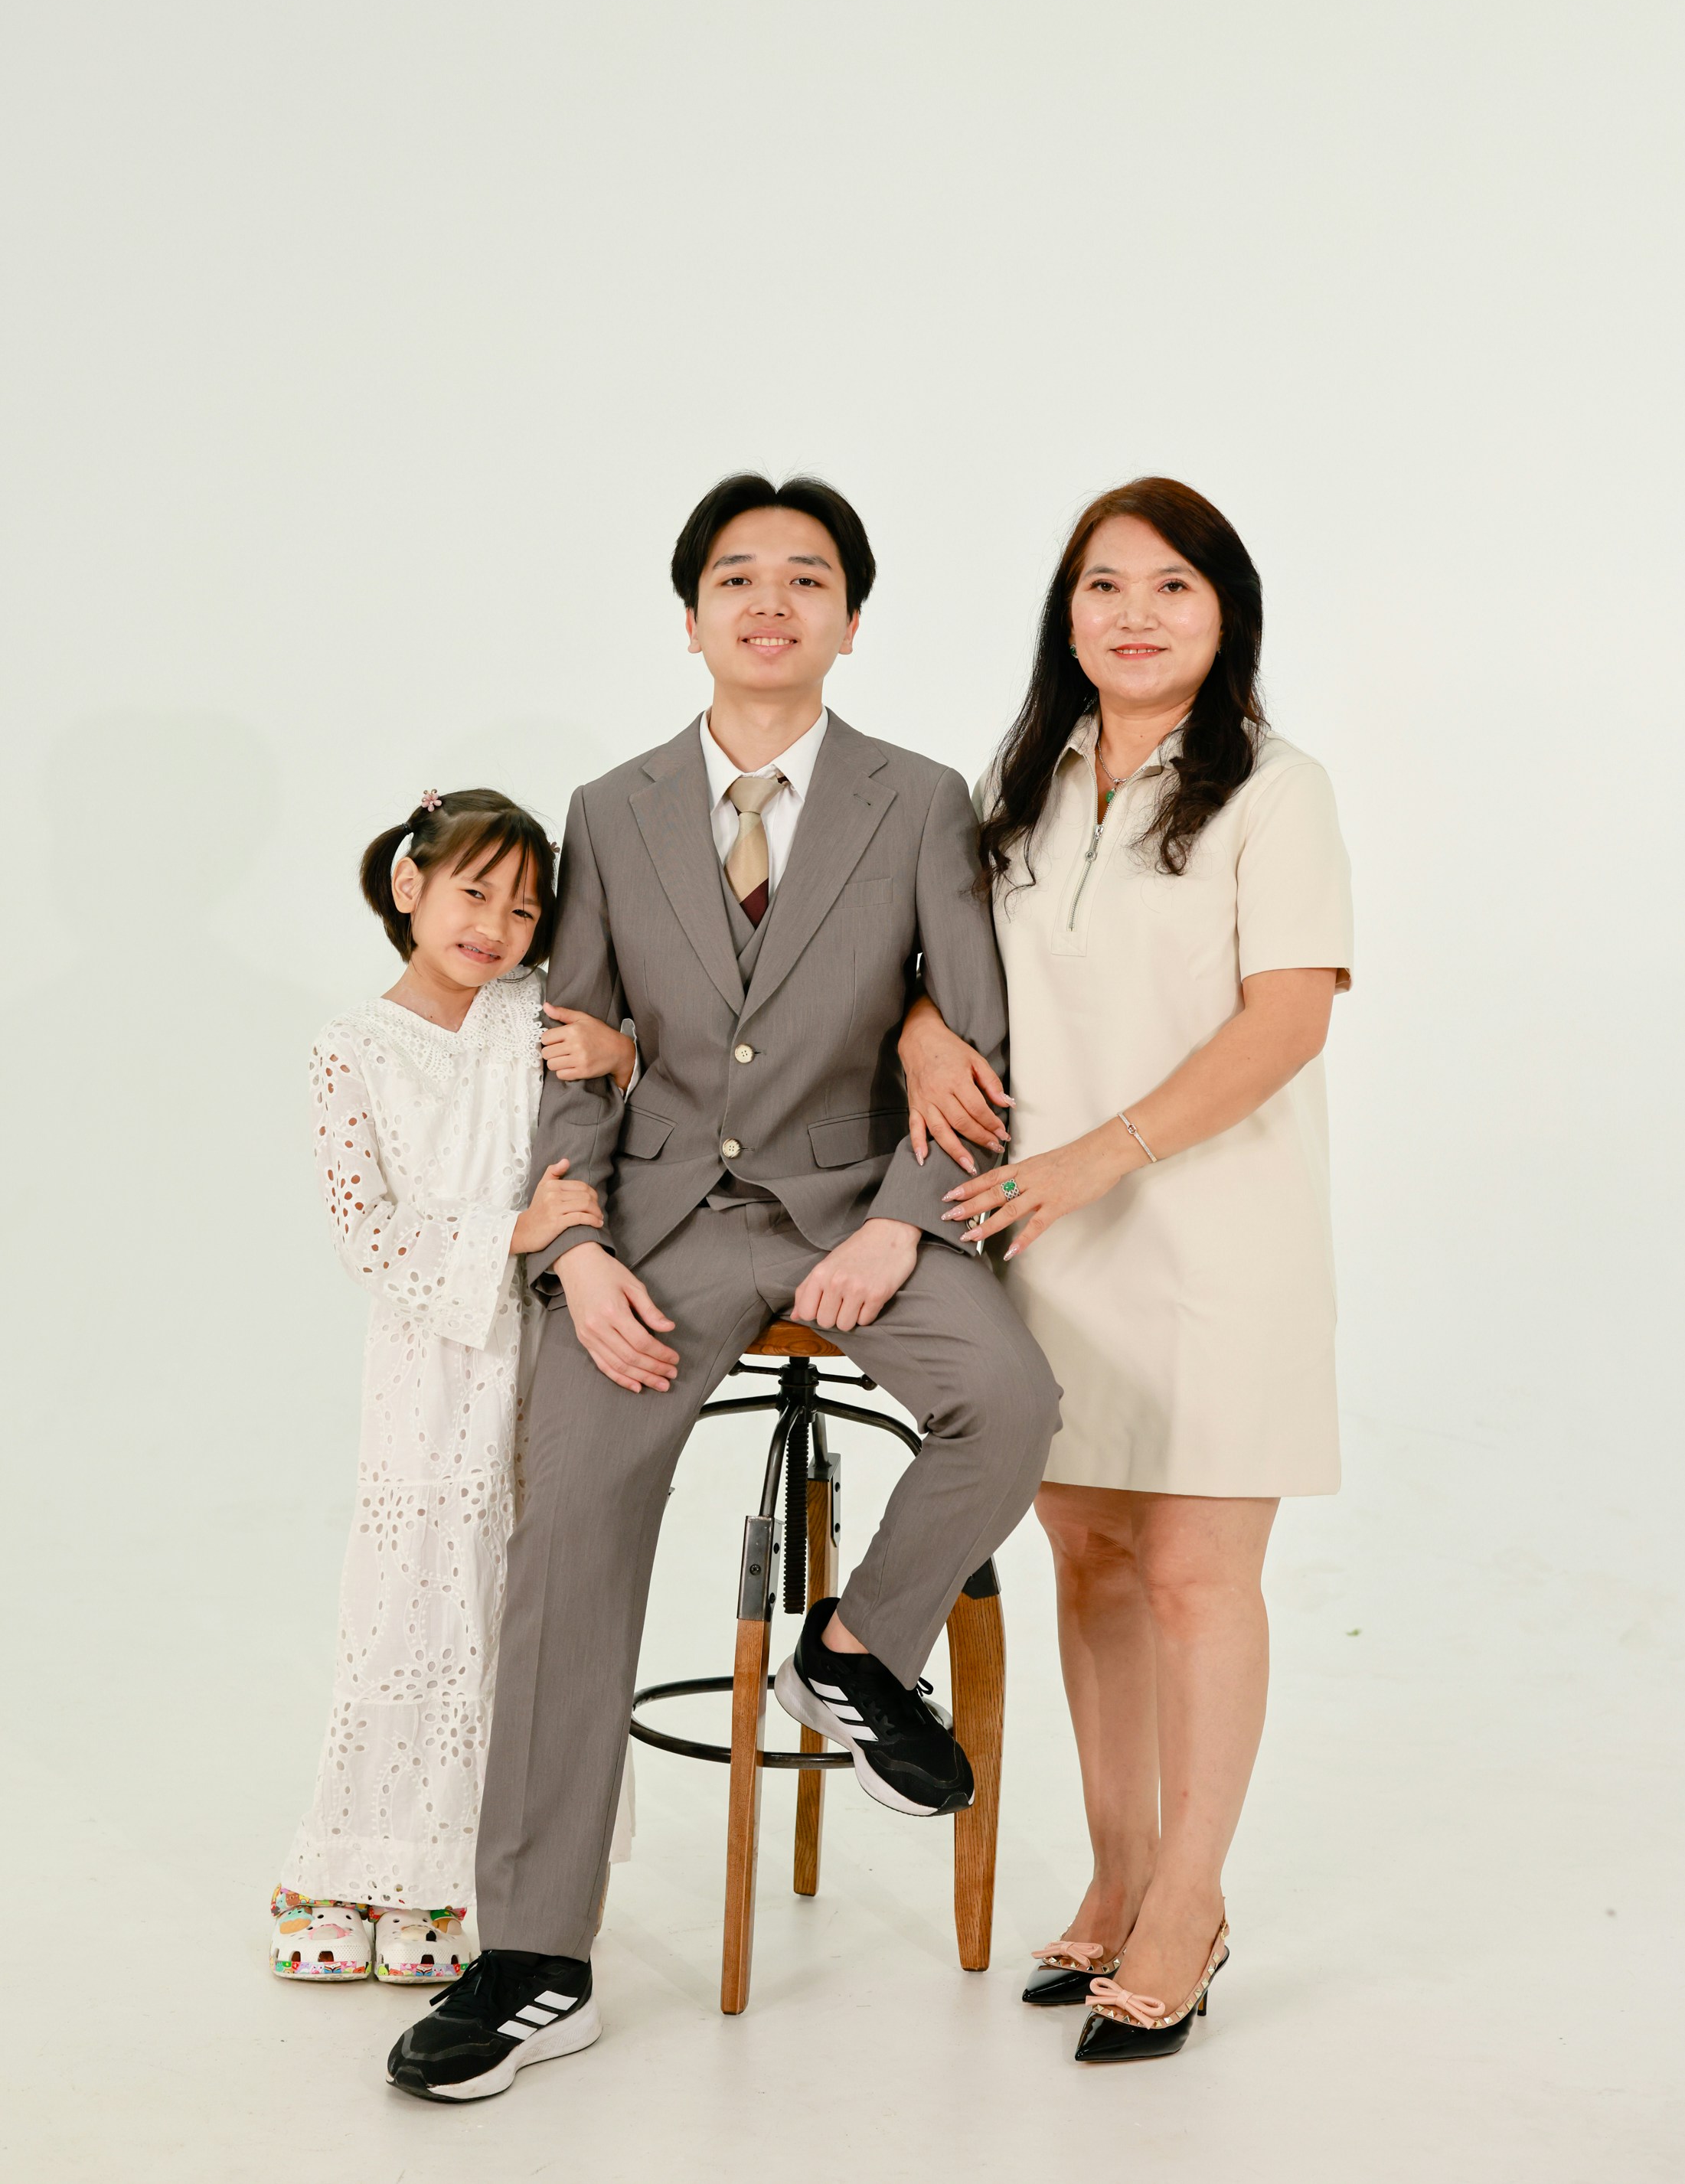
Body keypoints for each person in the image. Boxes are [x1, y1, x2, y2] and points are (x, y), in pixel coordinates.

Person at [385, 475, 1061, 2101]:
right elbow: (579, 1050)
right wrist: (573, 1248)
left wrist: (905, 1222)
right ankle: (535, 1958)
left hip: (857, 1209)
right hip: (660, 1227)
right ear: (689, 617)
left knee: (1012, 1399)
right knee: (570, 1520)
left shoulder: (921, 801)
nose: (771, 601)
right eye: (738, 577)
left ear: (851, 621)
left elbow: (973, 1033)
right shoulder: (610, 808)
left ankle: (857, 1652)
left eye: (807, 578)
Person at [901, 478, 1353, 2065]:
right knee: (1086, 1561)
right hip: (1046, 1239)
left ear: (1226, 614)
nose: (1136, 614)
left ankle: (1189, 1904)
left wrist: (1103, 1154)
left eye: (1173, 586)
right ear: (1066, 613)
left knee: (1192, 1577)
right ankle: (1115, 1873)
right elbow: (935, 960)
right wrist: (921, 1031)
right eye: (1104, 585)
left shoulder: (1275, 790)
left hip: (1216, 1236)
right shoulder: (1015, 787)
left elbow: (1288, 1019)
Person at [274, 790, 635, 1986]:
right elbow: (365, 1233)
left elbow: (639, 1109)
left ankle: (464, 1880)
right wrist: (508, 1231)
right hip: (426, 1364)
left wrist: (623, 1055)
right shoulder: (351, 1047)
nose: (496, 925)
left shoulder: (536, 1015)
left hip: (547, 1349)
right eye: (474, 892)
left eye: (524, 908)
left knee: (517, 1609)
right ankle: (351, 1866)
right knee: (406, 1612)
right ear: (409, 886)